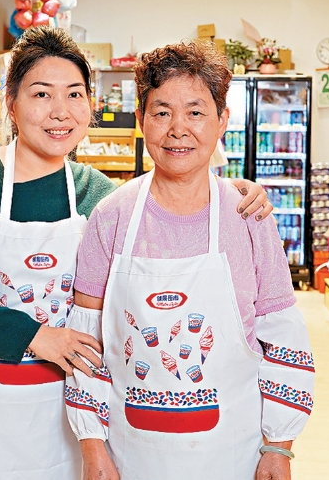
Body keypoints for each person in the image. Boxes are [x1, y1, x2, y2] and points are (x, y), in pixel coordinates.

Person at [0, 26, 273, 480]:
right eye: (42, 94)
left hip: (67, 413)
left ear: (90, 106)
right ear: (12, 103)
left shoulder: (97, 193)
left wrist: (230, 192)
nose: (60, 112)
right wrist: (35, 336)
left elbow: (167, 225)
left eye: (75, 94)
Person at [66, 40, 315, 480]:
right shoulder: (112, 215)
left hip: (231, 451)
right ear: (141, 121)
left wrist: (279, 445)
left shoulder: (249, 216)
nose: (178, 129)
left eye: (196, 112)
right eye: (162, 112)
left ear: (222, 121)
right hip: (131, 451)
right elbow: (86, 343)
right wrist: (92, 446)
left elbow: (283, 335)